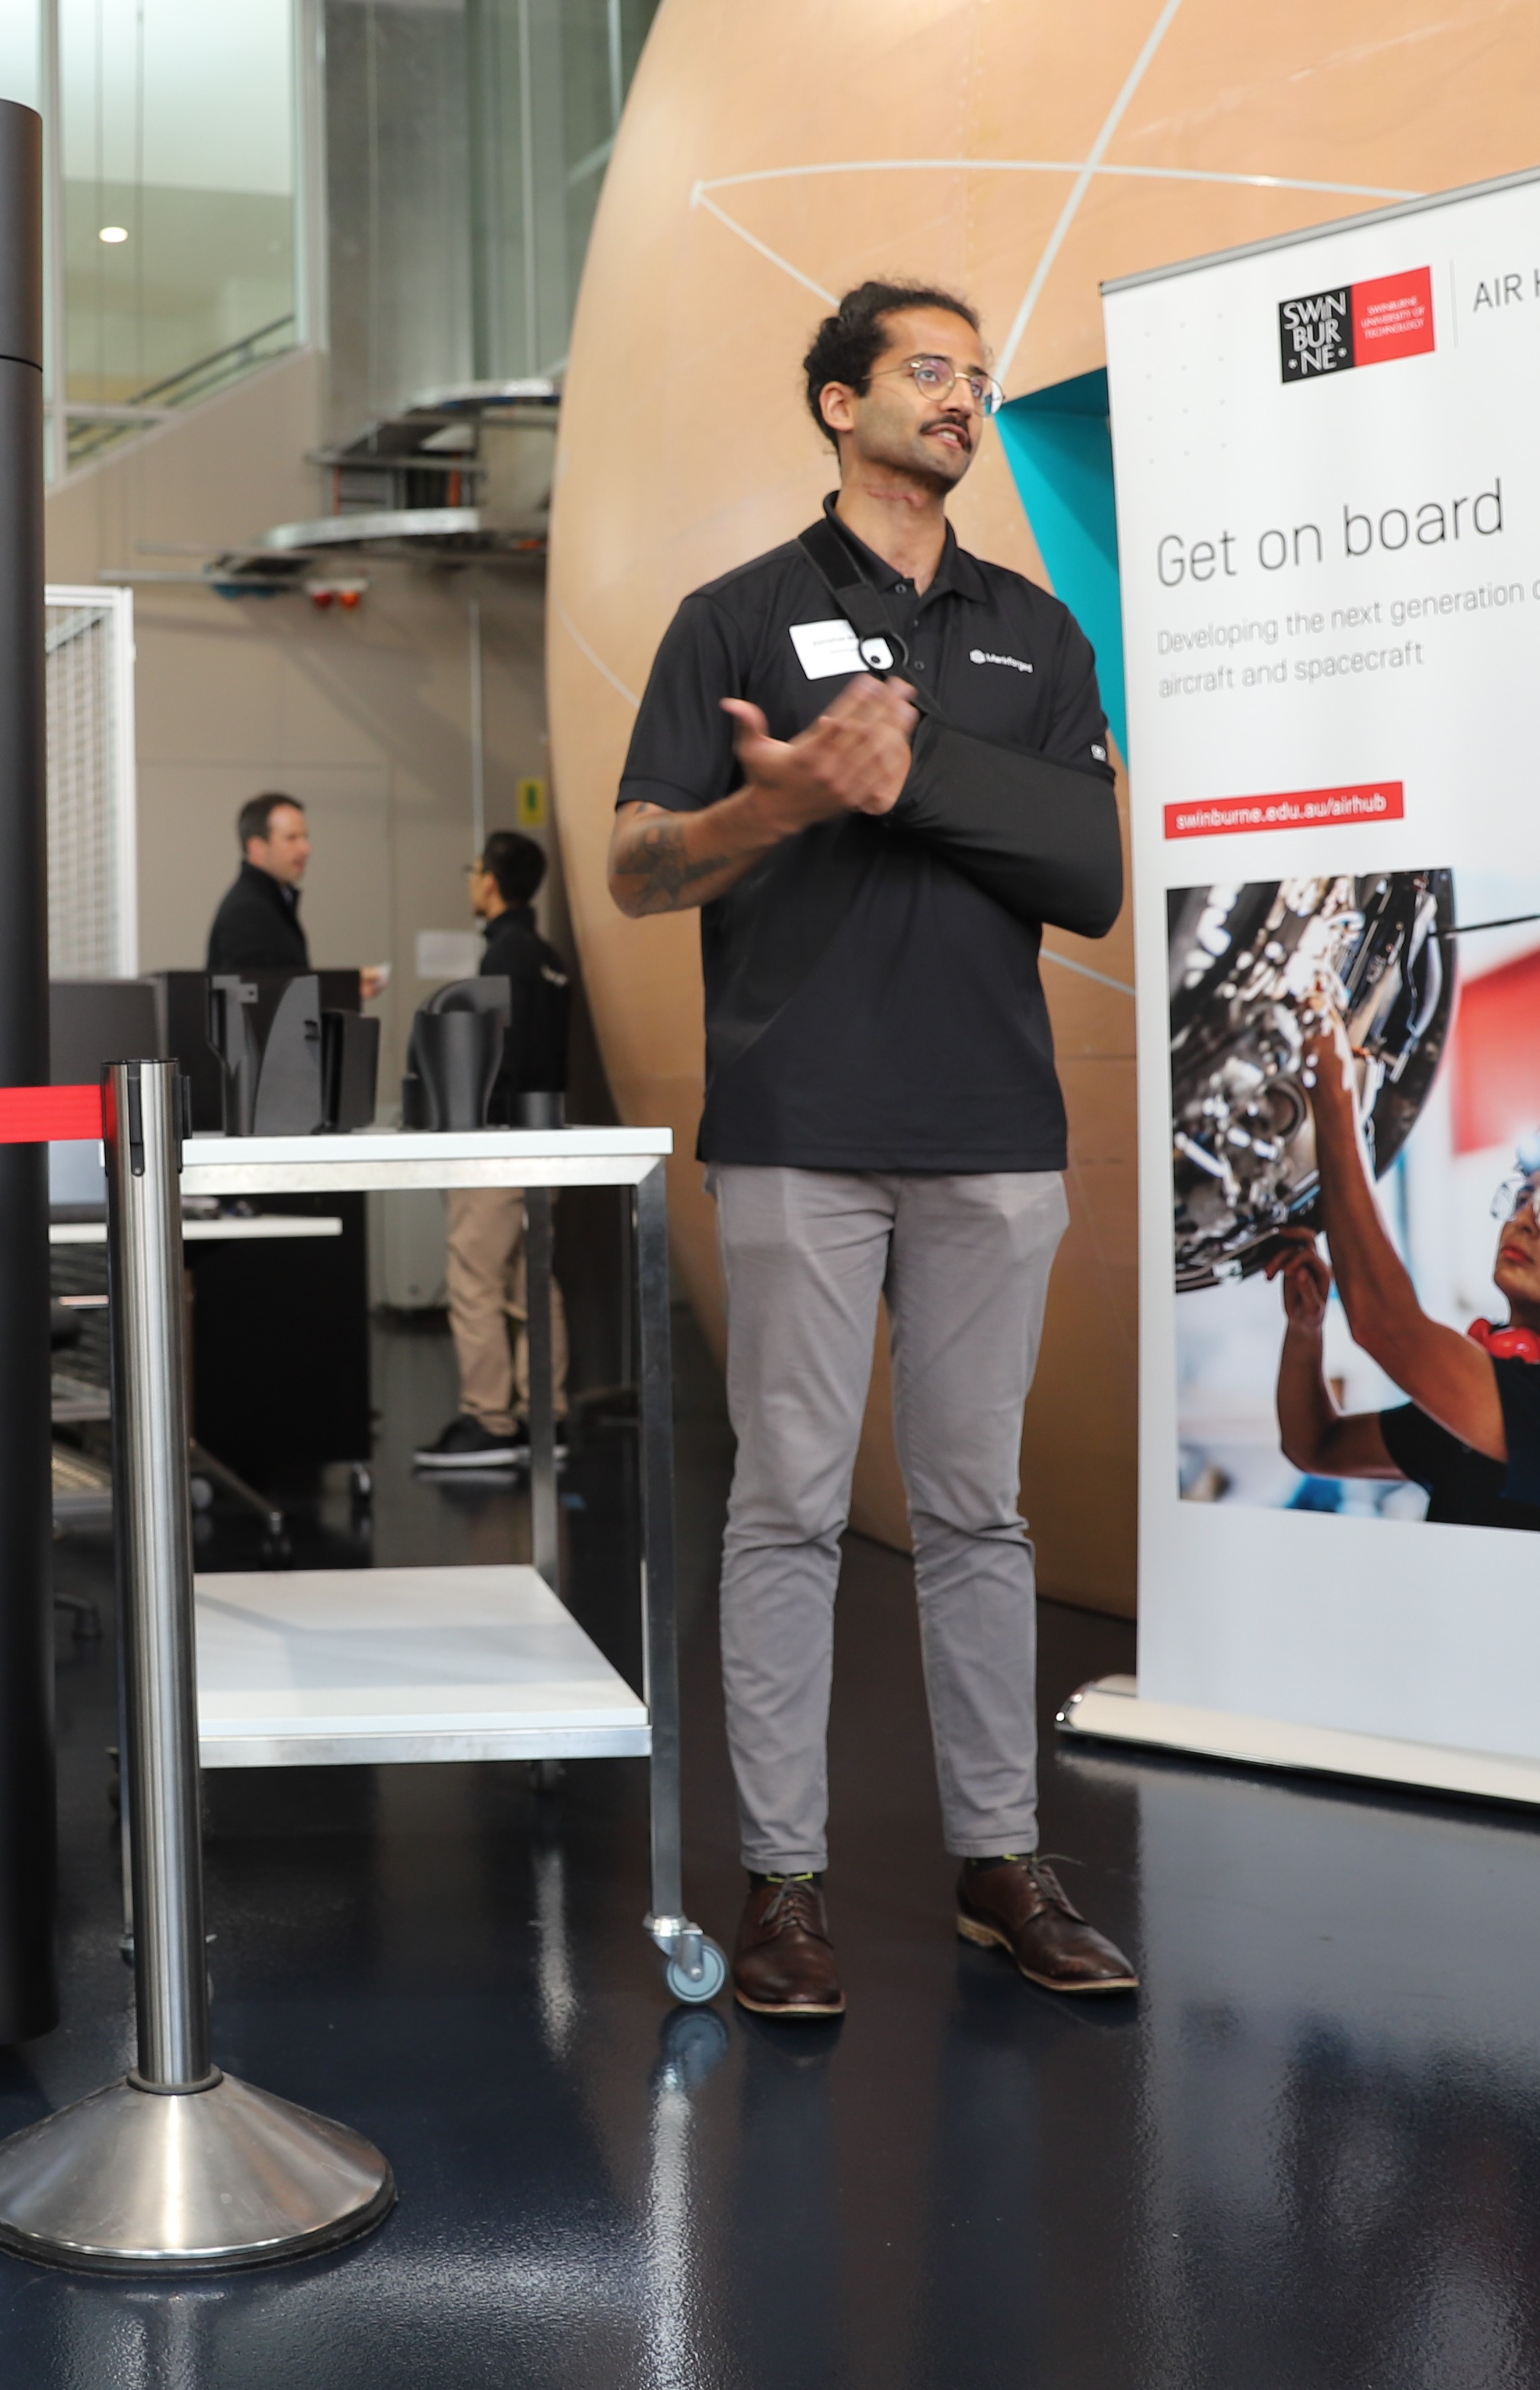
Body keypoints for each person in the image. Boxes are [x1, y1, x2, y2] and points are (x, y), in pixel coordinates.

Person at [607, 277, 1132, 2020]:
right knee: (790, 1510)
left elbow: (1087, 873)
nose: (959, 399)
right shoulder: (732, 618)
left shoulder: (1033, 634)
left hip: (991, 1127)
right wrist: (780, 798)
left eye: (975, 379)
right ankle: (784, 1887)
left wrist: (910, 779)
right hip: (799, 1126)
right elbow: (635, 867)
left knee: (977, 1510)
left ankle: (998, 1861)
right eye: (926, 371)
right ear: (837, 402)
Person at [1266, 1014, 1540, 1542]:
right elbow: (1315, 1445)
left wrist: (1335, 1096)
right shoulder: (1497, 1403)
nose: (1527, 1218)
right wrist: (1306, 1331)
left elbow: (1386, 1325)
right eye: (1524, 1199)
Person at [414, 830, 574, 1473]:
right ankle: (547, 1415)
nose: (470, 879)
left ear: (489, 882)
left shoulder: (500, 959)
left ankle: (488, 1418)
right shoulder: (546, 956)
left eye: (473, 869)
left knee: (475, 1278)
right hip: (546, 1138)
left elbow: (491, 1060)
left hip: (499, 1144)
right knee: (530, 1279)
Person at [206, 793, 385, 995]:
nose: (306, 849)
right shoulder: (248, 911)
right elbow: (262, 1000)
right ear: (257, 848)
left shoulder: (271, 901)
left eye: (305, 837)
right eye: (292, 838)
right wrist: (344, 990)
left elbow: (284, 986)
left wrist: (349, 987)